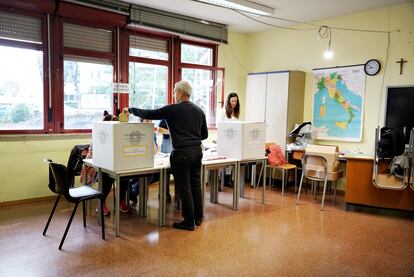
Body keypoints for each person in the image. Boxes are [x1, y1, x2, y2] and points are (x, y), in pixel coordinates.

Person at [128, 80, 208, 231]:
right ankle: (198, 217)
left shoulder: (172, 109)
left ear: (180, 92)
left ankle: (189, 222)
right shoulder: (199, 111)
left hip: (181, 153)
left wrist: (131, 110)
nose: (173, 94)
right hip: (197, 152)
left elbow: (150, 113)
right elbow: (204, 135)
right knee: (196, 185)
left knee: (184, 188)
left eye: (174, 91)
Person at [81, 111, 130, 216]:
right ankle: (101, 203)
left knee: (125, 177)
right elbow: (97, 157)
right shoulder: (98, 137)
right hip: (97, 168)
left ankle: (120, 201)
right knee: (107, 177)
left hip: (115, 166)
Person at [216, 92, 240, 187]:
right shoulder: (223, 111)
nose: (234, 103)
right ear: (228, 101)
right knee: (223, 161)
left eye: (235, 101)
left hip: (233, 141)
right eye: (232, 101)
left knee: (231, 161)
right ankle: (220, 180)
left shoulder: (235, 113)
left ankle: (227, 179)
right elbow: (219, 126)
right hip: (224, 140)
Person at [157, 119, 172, 202]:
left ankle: (178, 193)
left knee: (179, 171)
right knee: (166, 171)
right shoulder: (165, 118)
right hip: (168, 145)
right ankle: (164, 193)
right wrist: (172, 131)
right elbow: (159, 130)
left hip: (178, 144)